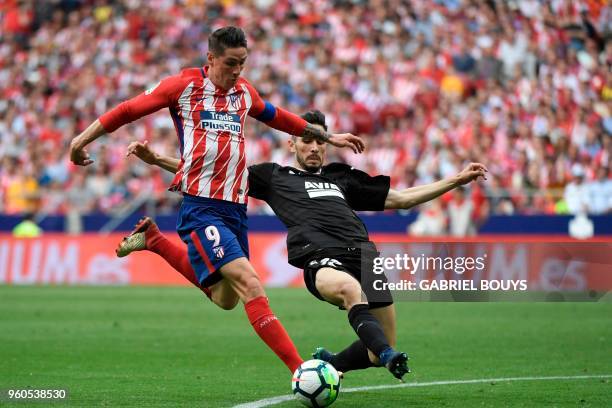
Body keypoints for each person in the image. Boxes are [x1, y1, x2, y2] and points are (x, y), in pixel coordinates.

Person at [69, 26, 365, 374]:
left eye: (242, 63)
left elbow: (282, 118)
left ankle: (155, 240)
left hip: (235, 208)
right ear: (210, 59)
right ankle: (301, 370)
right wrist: (79, 141)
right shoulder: (182, 87)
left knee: (226, 299)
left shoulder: (244, 93)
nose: (237, 71)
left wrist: (328, 136)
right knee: (250, 282)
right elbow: (127, 110)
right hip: (201, 206)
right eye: (230, 63)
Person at [118, 110, 487, 380]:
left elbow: (403, 198)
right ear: (292, 142)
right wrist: (159, 161)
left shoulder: (342, 178)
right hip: (320, 259)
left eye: (319, 141)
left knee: (374, 350)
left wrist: (455, 180)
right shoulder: (274, 177)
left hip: (365, 255)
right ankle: (390, 355)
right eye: (307, 140)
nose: (313, 147)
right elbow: (213, 174)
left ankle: (331, 363)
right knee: (349, 291)